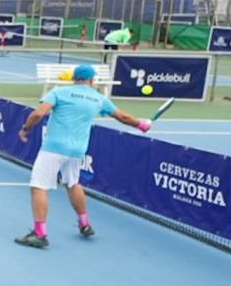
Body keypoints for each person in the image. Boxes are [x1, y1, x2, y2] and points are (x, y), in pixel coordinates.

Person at [14, 64, 152, 248]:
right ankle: (85, 224)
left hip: (53, 148)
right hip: (77, 151)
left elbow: (39, 113)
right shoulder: (98, 98)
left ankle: (39, 234)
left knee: (39, 186)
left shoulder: (59, 92)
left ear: (73, 79)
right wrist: (141, 125)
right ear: (93, 80)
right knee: (72, 183)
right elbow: (123, 117)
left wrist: (25, 129)